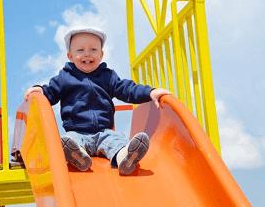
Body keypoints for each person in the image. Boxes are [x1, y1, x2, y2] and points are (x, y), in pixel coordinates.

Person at [24, 27, 170, 175]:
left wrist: (150, 92)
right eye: (80, 50)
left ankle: (125, 158)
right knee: (68, 141)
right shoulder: (64, 78)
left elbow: (127, 89)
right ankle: (77, 156)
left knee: (117, 141)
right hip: (77, 132)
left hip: (104, 132)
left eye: (93, 49)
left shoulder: (108, 77)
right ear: (70, 56)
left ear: (101, 55)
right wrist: (39, 90)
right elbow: (50, 92)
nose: (87, 53)